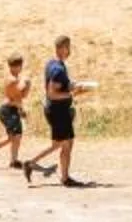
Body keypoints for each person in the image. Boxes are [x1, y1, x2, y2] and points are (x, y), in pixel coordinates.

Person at [20, 35, 94, 187]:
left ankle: (61, 175)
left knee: (65, 143)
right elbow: (52, 93)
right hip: (58, 112)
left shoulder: (53, 64)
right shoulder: (58, 69)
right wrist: (74, 93)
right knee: (61, 144)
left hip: (58, 111)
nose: (69, 50)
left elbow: (61, 85)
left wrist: (75, 85)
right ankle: (38, 166)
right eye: (68, 47)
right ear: (62, 48)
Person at [0, 54, 43, 173]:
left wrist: (26, 86)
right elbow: (19, 95)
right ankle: (12, 160)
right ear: (15, 66)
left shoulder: (14, 78)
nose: (21, 68)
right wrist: (26, 83)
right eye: (19, 66)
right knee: (16, 136)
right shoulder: (12, 80)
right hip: (8, 110)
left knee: (13, 137)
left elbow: (20, 96)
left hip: (10, 109)